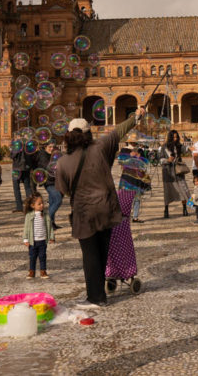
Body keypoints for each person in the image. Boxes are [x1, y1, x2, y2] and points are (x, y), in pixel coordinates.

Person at [55, 105, 146, 309]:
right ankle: (99, 295)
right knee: (102, 250)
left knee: (90, 254)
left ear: (68, 136)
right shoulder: (102, 146)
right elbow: (119, 131)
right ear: (88, 133)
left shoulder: (63, 163)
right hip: (106, 207)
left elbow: (63, 190)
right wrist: (137, 116)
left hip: (84, 211)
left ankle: (95, 298)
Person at [23, 194, 54, 279]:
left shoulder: (45, 215)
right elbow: (26, 228)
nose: (42, 205)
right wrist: (25, 239)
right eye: (39, 204)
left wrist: (51, 237)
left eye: (42, 203)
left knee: (42, 256)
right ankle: (31, 272)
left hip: (43, 241)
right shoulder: (29, 215)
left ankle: (43, 271)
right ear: (33, 206)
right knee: (32, 257)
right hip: (33, 241)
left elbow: (50, 227)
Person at [160, 130, 190, 218]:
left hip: (178, 172)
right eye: (173, 137)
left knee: (184, 189)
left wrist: (191, 148)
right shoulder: (164, 147)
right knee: (168, 191)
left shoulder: (179, 146)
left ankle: (186, 208)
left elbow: (186, 148)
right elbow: (161, 159)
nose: (175, 139)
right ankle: (166, 210)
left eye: (176, 137)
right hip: (168, 172)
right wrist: (167, 160)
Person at [43, 143, 63, 229]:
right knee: (58, 200)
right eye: (49, 147)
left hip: (56, 183)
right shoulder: (43, 157)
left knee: (52, 203)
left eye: (52, 147)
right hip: (49, 183)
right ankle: (46, 221)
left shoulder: (55, 159)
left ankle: (51, 224)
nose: (51, 149)